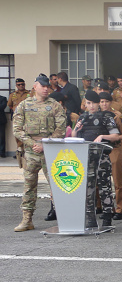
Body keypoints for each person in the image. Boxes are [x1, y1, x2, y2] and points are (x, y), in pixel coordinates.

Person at [12, 75, 67, 232]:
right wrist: (33, 144)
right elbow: (17, 129)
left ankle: (64, 219)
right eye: (42, 86)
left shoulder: (55, 105)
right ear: (34, 87)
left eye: (47, 86)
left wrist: (45, 143)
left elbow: (61, 129)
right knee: (29, 186)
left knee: (57, 186)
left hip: (50, 151)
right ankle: (27, 220)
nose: (46, 89)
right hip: (31, 152)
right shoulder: (24, 105)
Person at [72, 90, 119, 226]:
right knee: (88, 188)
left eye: (94, 103)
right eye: (88, 103)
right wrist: (76, 129)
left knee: (105, 188)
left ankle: (107, 218)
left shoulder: (106, 117)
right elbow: (74, 137)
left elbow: (115, 136)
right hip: (86, 157)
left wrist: (102, 137)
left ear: (99, 104)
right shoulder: (83, 118)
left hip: (102, 157)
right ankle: (90, 218)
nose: (91, 106)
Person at [97, 89, 122, 220]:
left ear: (111, 102)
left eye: (106, 101)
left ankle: (121, 208)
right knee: (100, 181)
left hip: (114, 148)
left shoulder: (117, 116)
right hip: (100, 149)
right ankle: (103, 207)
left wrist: (114, 138)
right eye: (101, 102)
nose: (104, 104)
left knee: (117, 180)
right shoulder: (96, 115)